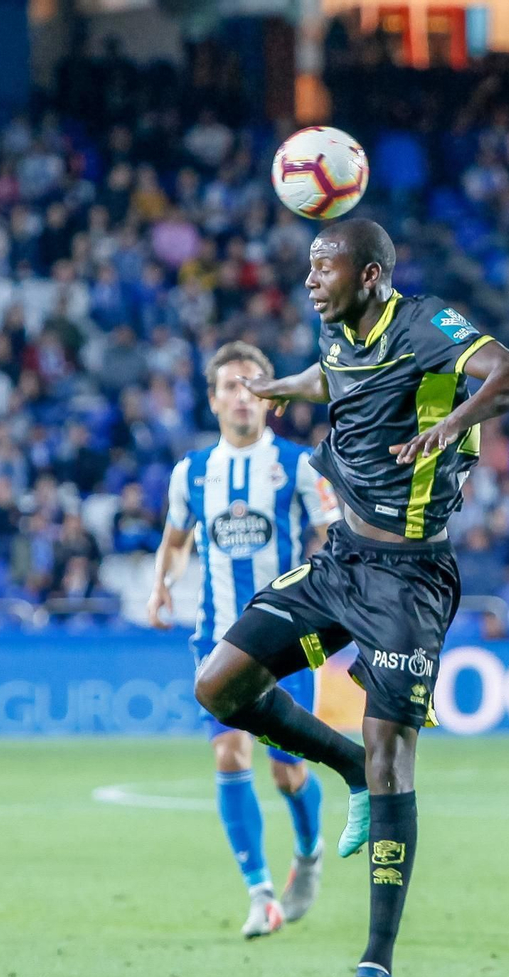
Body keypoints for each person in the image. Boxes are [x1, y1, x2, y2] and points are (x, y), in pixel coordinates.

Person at [193, 218, 509, 977]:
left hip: (410, 579)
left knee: (396, 757)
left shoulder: (425, 324)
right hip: (341, 560)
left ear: (373, 275)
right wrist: (288, 389)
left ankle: (374, 968)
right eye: (309, 265)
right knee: (219, 684)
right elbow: (338, 375)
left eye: (327, 265)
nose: (311, 278)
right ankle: (343, 764)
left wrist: (455, 424)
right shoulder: (335, 330)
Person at [147, 342, 339, 939]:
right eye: (230, 384)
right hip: (216, 638)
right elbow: (176, 542)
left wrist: (319, 596)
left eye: (253, 383)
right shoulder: (193, 472)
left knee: (288, 772)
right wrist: (161, 587)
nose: (241, 394)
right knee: (230, 753)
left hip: (287, 639)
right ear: (213, 399)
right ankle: (259, 892)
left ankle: (307, 854)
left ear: (271, 397)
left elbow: (333, 537)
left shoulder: (300, 466)